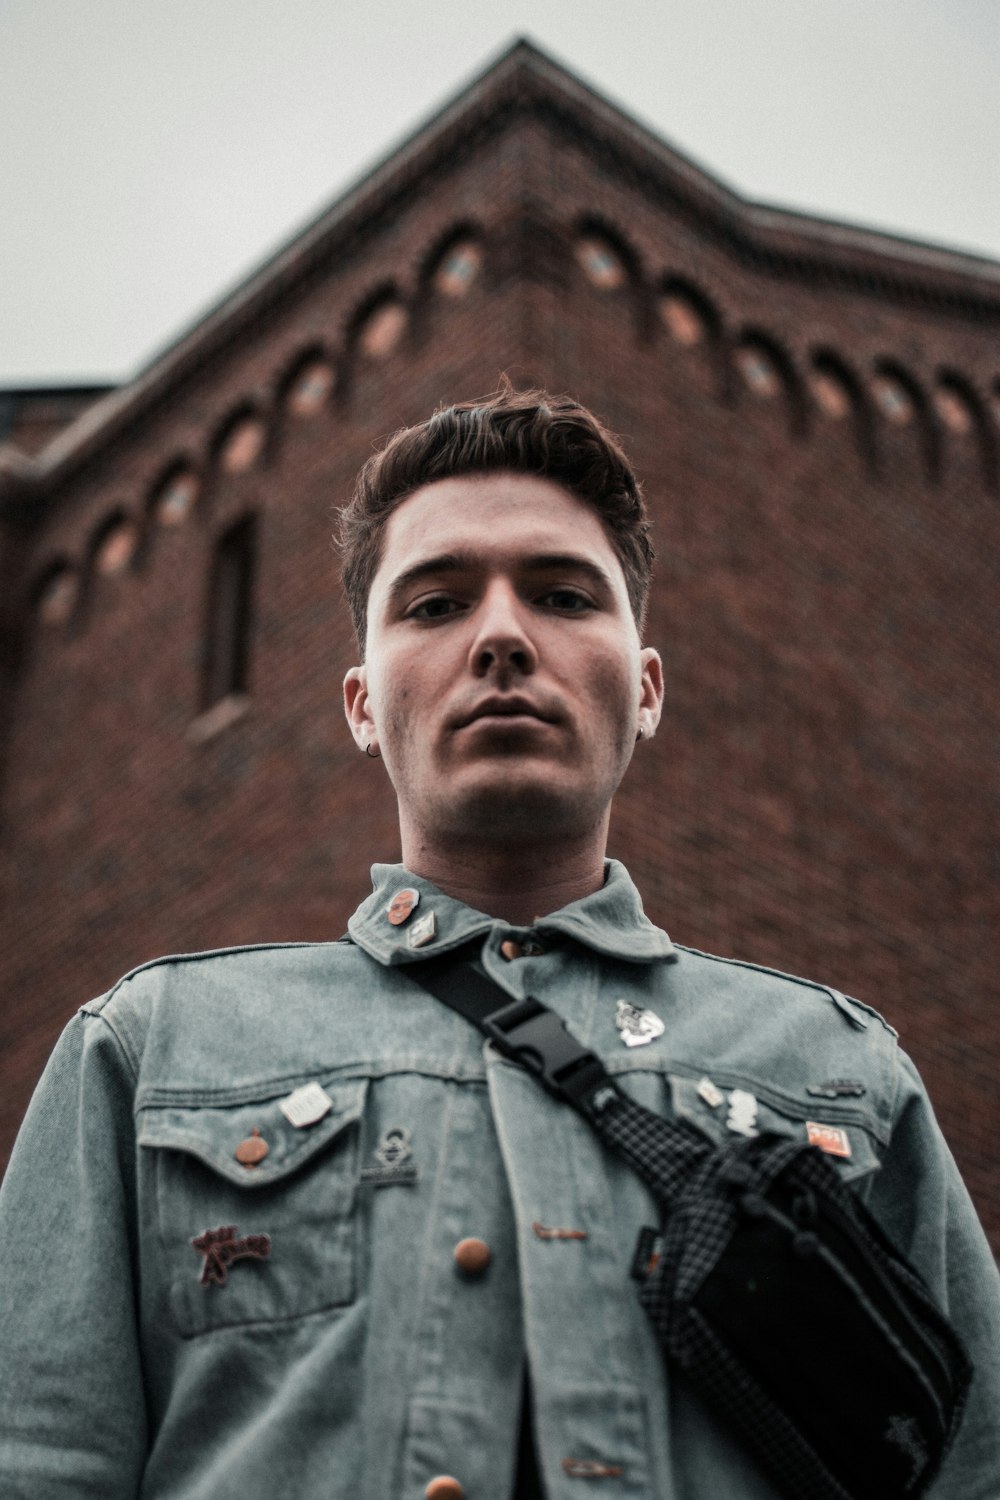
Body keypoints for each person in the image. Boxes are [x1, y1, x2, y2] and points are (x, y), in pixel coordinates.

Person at [1, 383, 997, 1499]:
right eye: (432, 606)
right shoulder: (147, 1054)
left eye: (565, 595)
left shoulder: (843, 1074)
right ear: (361, 703)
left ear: (648, 688)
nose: (504, 638)